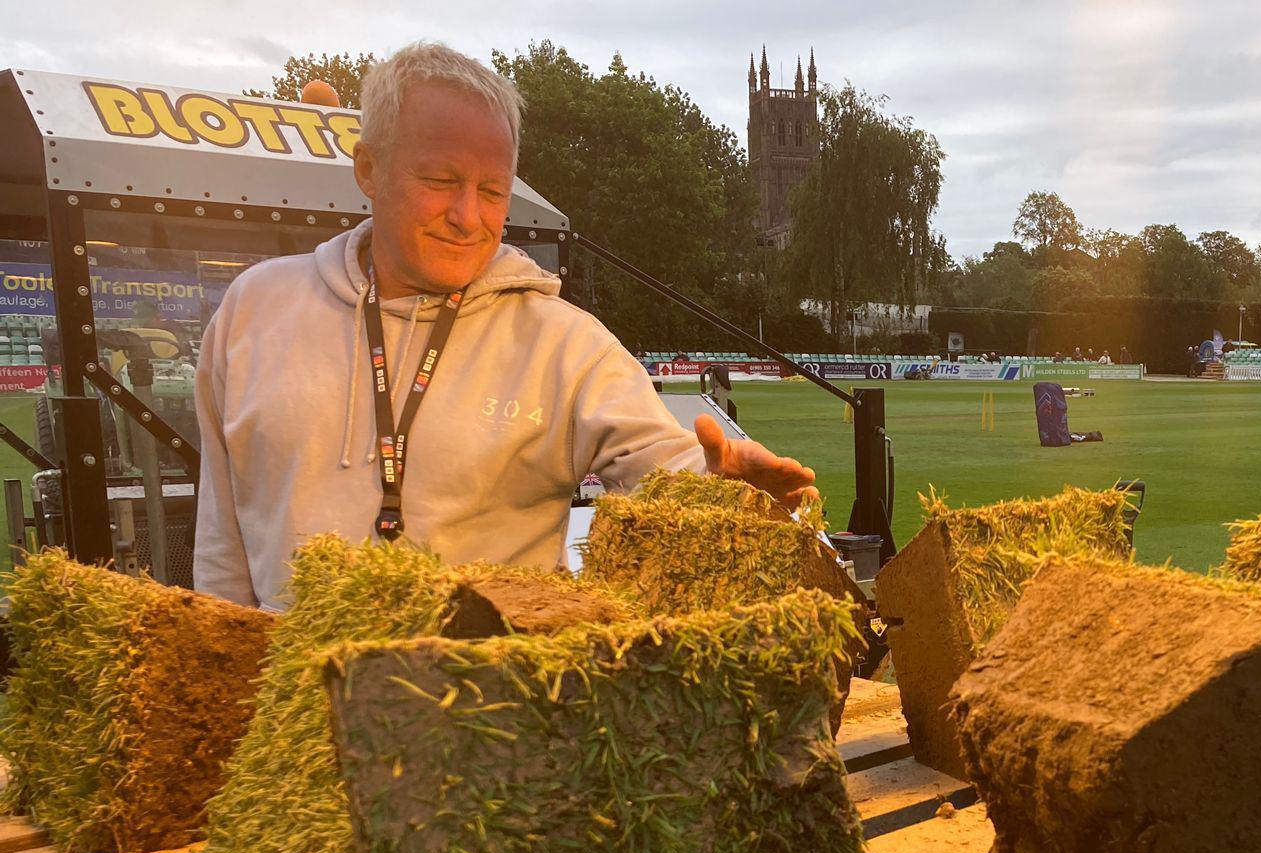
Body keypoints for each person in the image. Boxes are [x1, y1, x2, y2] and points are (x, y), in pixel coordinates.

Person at [194, 43, 813, 610]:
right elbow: (222, 548)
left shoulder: (566, 343)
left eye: (493, 190)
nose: (469, 217)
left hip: (491, 719)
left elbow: (664, 462)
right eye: (441, 180)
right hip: (296, 717)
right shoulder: (255, 310)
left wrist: (723, 486)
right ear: (368, 169)